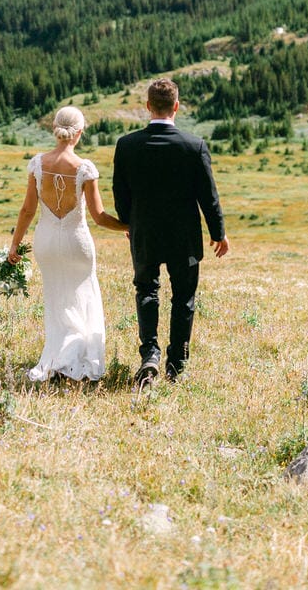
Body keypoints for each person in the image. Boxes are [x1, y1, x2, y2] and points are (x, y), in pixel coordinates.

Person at [112, 77, 227, 387]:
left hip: (145, 233)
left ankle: (149, 353)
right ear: (176, 106)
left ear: (148, 107)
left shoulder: (126, 145)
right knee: (184, 298)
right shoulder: (194, 146)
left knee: (146, 290)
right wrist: (218, 232)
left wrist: (129, 223)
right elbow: (209, 196)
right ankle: (176, 364)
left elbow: (120, 194)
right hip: (184, 237)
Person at [9, 105, 128, 382]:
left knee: (56, 299)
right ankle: (79, 362)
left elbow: (27, 210)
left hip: (46, 242)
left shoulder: (38, 164)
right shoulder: (84, 168)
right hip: (77, 242)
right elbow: (99, 216)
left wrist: (14, 244)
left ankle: (59, 358)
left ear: (55, 130)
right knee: (83, 297)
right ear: (80, 133)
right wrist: (128, 226)